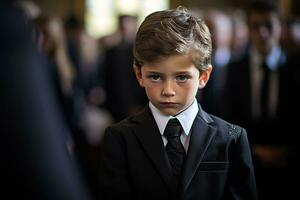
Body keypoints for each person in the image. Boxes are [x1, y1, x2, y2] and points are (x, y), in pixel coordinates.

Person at [98, 7, 257, 200]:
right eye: (155, 77)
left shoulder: (232, 138)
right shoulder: (119, 138)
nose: (168, 91)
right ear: (139, 74)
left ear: (203, 76)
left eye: (182, 77)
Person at [226, 0, 300, 199]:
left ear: (280, 28)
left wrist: (285, 152)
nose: (263, 33)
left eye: (269, 26)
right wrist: (254, 150)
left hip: (289, 168)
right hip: (247, 165)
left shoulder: (295, 69)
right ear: (248, 29)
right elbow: (228, 119)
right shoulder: (233, 71)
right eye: (256, 26)